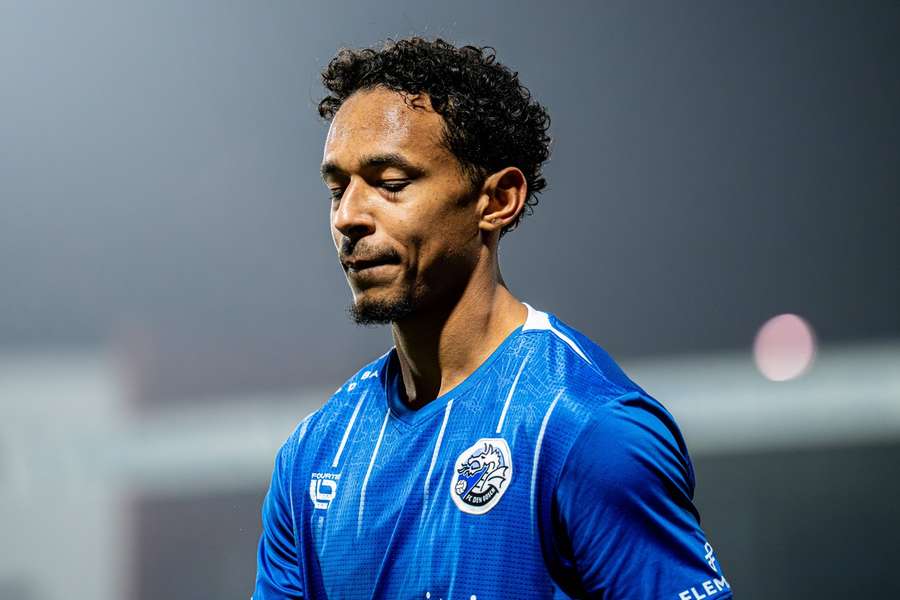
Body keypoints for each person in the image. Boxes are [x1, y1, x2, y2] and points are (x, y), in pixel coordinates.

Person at [253, 37, 732, 600]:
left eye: (391, 185)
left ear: (498, 200)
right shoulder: (314, 456)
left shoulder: (587, 431)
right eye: (338, 189)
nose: (350, 217)